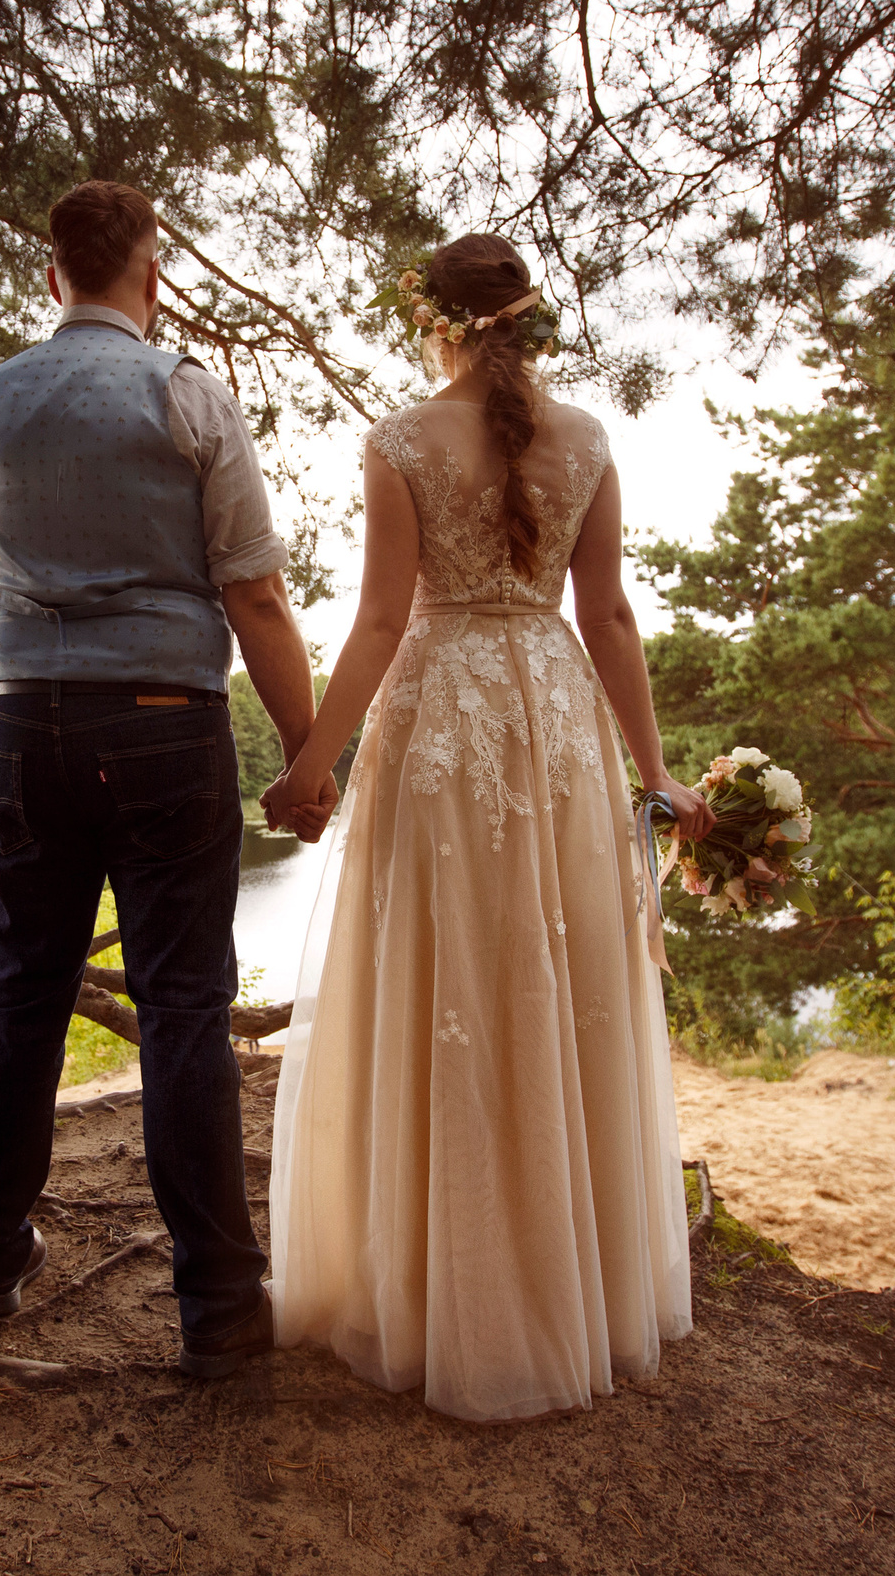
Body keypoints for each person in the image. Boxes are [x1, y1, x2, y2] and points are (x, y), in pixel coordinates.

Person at [258, 233, 712, 1421]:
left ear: (436, 320)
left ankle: (440, 1283)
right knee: (556, 975)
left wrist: (312, 765)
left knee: (442, 972)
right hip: (553, 720)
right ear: (528, 319)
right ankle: (571, 1281)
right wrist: (655, 772)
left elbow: (377, 619)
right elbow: (608, 615)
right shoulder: (589, 439)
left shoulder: (400, 439)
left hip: (442, 719)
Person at [0, 179, 337, 1377]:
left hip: (22, 724)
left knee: (23, 991)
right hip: (164, 722)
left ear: (53, 276)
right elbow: (255, 592)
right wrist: (306, 753)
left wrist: (8, 706)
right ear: (150, 276)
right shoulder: (187, 392)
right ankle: (218, 1306)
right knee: (183, 1008)